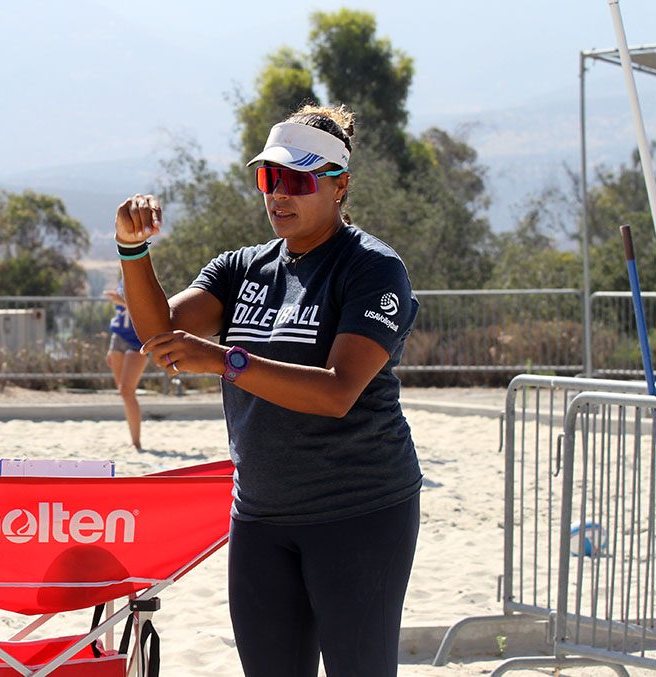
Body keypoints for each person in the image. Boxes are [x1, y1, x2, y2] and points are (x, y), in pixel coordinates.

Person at [113, 104, 421, 676]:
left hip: (360, 512)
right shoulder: (241, 267)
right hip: (259, 515)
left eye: (298, 180)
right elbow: (159, 335)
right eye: (268, 177)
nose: (279, 194)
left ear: (340, 186)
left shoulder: (373, 269)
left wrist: (226, 360)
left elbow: (337, 392)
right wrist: (134, 250)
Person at [103, 280, 146, 449]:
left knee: (127, 391)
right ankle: (133, 440)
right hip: (118, 338)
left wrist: (121, 300)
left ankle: (136, 442)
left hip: (137, 341)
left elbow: (143, 309)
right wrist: (110, 349)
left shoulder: (144, 282)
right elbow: (122, 313)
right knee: (123, 392)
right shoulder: (123, 281)